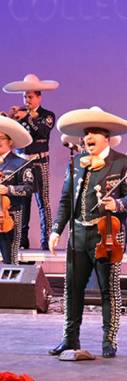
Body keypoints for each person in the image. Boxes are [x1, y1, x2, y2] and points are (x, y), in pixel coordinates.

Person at [48, 107, 127, 358]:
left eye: (94, 133)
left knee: (109, 289)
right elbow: (66, 200)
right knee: (72, 289)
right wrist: (56, 230)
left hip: (108, 235)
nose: (88, 137)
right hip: (78, 234)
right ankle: (69, 339)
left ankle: (109, 341)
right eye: (86, 133)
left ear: (106, 137)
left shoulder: (125, 162)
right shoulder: (76, 162)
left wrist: (118, 204)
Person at [2, 73, 59, 250]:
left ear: (39, 97)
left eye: (30, 97)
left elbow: (42, 132)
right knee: (22, 203)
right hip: (21, 163)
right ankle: (21, 242)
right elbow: (12, 134)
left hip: (40, 163)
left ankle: (45, 241)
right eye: (25, 97)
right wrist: (7, 119)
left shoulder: (47, 115)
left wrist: (26, 117)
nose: (27, 100)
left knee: (43, 202)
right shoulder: (20, 115)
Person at [0, 116, 34, 264]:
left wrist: (7, 189)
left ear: (10, 142)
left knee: (10, 258)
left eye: (1, 138)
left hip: (11, 215)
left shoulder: (21, 163)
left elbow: (28, 189)